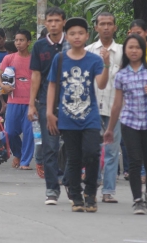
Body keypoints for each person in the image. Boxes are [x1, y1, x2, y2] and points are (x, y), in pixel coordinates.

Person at [104, 34, 147, 214]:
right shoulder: (121, 75)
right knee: (134, 162)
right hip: (129, 123)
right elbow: (117, 103)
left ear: (143, 50)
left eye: (137, 47)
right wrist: (110, 129)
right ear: (125, 51)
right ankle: (138, 200)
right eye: (130, 47)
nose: (134, 50)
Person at [46, 17, 109, 213]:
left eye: (80, 33)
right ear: (68, 36)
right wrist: (49, 112)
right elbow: (53, 85)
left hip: (89, 116)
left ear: (87, 35)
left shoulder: (95, 59)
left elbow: (101, 84)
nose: (77, 37)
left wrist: (106, 65)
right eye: (72, 33)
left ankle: (91, 192)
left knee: (92, 153)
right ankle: (76, 195)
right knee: (73, 158)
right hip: (67, 116)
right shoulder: (60, 58)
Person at [28, 7, 69, 204]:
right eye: (50, 21)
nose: (53, 24)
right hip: (46, 102)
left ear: (63, 22)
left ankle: (71, 186)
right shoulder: (39, 47)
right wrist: (31, 104)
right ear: (45, 23)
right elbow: (35, 75)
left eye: (57, 20)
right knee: (50, 147)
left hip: (71, 103)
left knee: (71, 147)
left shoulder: (72, 45)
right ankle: (52, 190)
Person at [85, 12, 123, 203]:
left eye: (110, 24)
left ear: (115, 27)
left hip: (115, 108)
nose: (106, 27)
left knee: (111, 151)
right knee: (92, 150)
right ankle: (93, 185)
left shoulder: (124, 52)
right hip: (91, 108)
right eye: (102, 24)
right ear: (96, 27)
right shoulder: (88, 51)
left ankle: (108, 190)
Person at [0, 30, 33, 169]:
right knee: (10, 132)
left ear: (28, 42)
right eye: (16, 40)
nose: (18, 43)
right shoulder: (9, 58)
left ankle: (25, 162)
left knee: (29, 133)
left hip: (30, 102)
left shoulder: (34, 59)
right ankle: (17, 153)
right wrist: (2, 87)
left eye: (22, 40)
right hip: (13, 101)